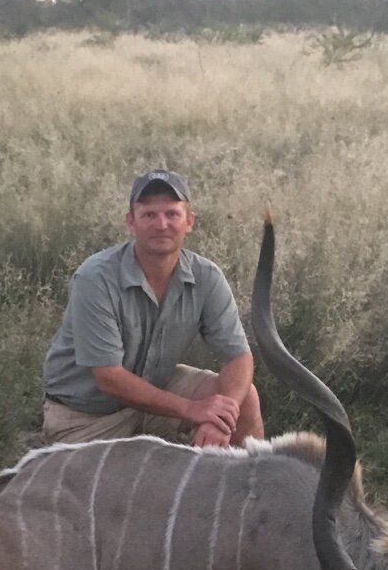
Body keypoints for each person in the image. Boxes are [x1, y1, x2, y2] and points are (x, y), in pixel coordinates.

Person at [42, 170, 264, 448]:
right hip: (88, 414)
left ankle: (248, 489)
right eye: (149, 215)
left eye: (172, 214)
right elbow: (108, 377)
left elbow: (239, 357)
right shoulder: (95, 278)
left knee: (243, 400)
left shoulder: (207, 276)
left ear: (189, 222)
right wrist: (191, 409)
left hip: (156, 392)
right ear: (131, 222)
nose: (161, 224)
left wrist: (221, 417)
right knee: (121, 491)